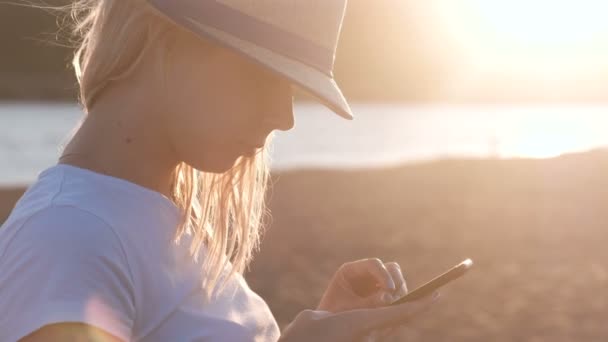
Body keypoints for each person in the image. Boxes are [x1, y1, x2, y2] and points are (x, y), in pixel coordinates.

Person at [0, 0, 439, 341]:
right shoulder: (67, 237)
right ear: (162, 39)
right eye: (262, 73)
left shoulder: (151, 218)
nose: (284, 117)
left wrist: (327, 323)